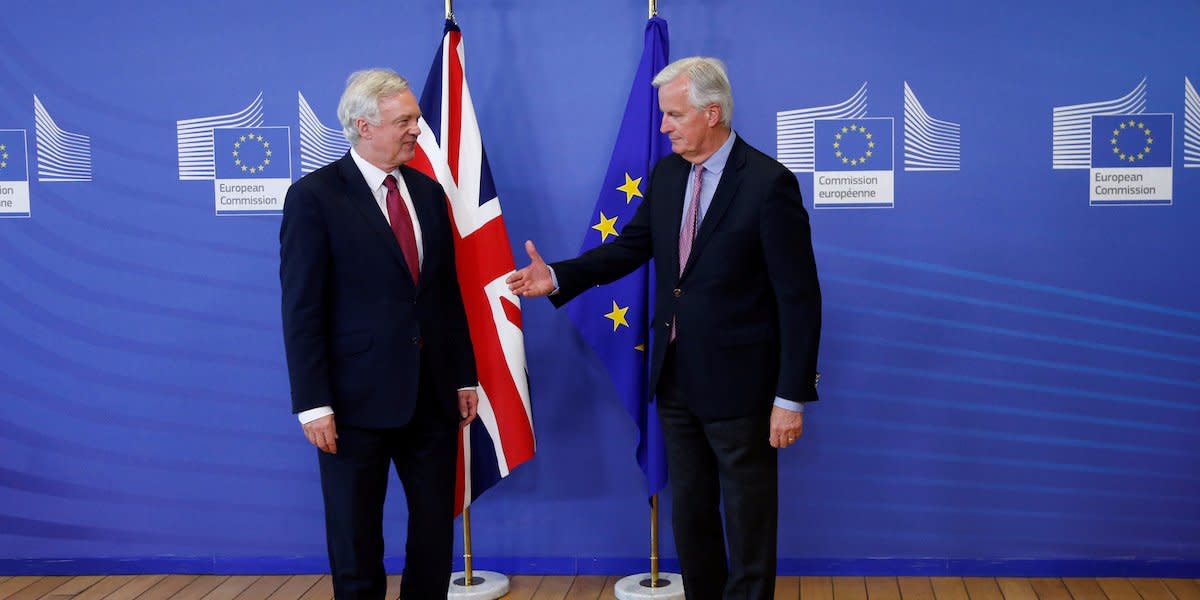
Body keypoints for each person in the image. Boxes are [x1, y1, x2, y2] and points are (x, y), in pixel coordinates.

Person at [507, 56, 821, 600]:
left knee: (748, 525)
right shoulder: (670, 174)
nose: (664, 126)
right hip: (673, 381)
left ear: (713, 113)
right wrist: (556, 276)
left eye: (675, 115)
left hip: (744, 388)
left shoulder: (770, 183)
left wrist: (790, 397)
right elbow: (629, 249)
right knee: (692, 519)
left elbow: (800, 299)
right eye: (663, 115)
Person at [279, 68, 478, 600]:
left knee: (434, 533)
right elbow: (302, 309)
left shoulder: (430, 194)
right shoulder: (314, 197)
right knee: (355, 539)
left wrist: (464, 376)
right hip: (351, 403)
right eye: (405, 120)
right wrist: (313, 403)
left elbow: (443, 294)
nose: (417, 129)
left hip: (432, 397)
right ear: (364, 126)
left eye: (416, 117)